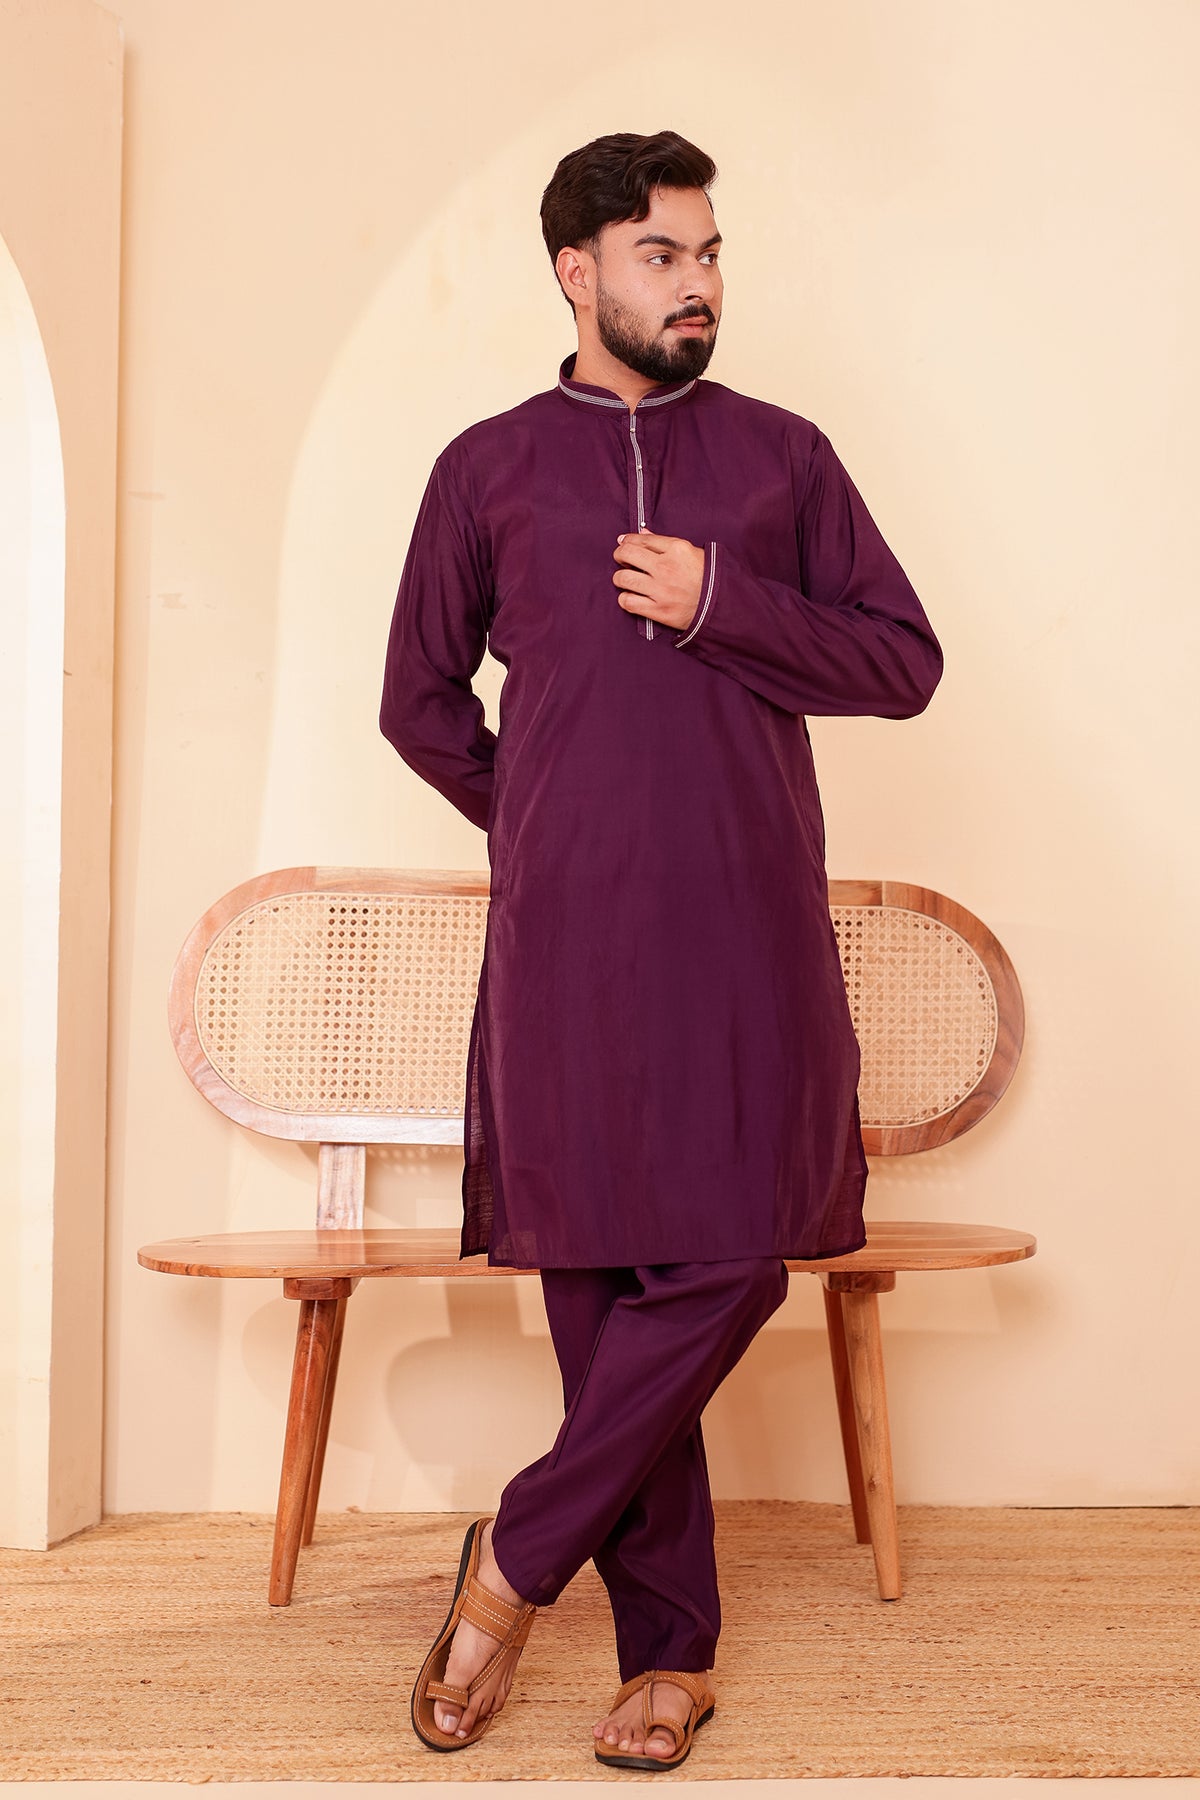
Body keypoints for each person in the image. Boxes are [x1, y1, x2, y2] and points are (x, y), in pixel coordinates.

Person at [381, 128, 943, 1768]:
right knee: (600, 1280)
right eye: (662, 257)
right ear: (578, 273)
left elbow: (903, 661)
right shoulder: (486, 469)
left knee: (732, 1252)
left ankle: (512, 1560)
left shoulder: (782, 459)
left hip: (747, 930)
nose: (698, 285)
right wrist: (543, 818)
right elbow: (418, 701)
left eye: (708, 256)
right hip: (566, 944)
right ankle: (667, 1657)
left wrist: (721, 605)